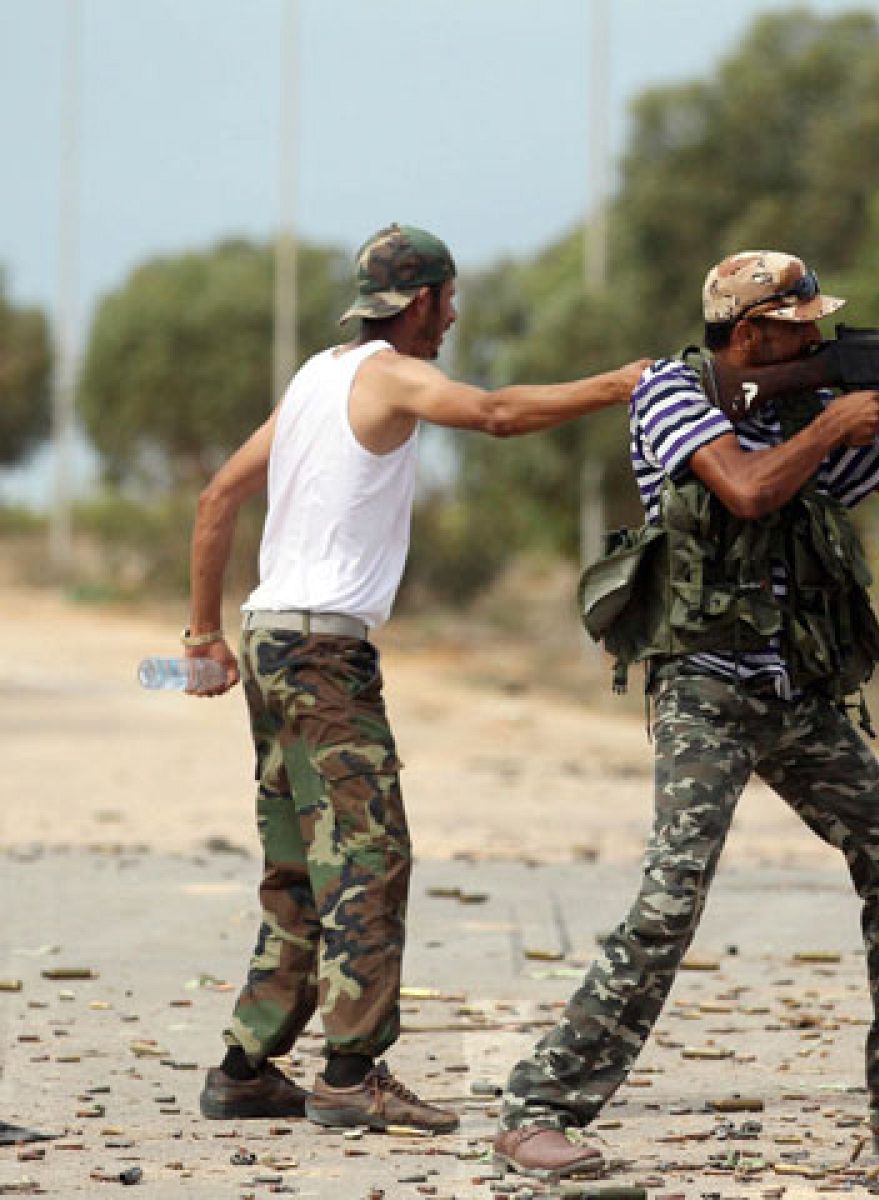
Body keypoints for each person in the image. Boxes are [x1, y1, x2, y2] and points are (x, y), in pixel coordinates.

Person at [492, 250, 879, 1175]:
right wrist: (832, 422)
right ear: (749, 333)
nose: (818, 339)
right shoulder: (675, 392)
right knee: (672, 899)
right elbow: (747, 490)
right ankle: (538, 1106)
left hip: (793, 688)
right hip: (706, 684)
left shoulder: (808, 415)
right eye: (799, 328)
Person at [185, 223, 645, 1133]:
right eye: (449, 300)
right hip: (324, 657)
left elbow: (216, 498)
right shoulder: (394, 372)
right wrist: (619, 385)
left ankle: (245, 1068)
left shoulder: (317, 375)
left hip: (271, 640)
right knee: (368, 856)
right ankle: (352, 1074)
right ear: (425, 300)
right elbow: (499, 415)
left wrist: (204, 633)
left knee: (300, 864)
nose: (454, 317)